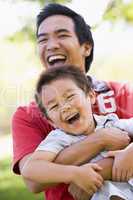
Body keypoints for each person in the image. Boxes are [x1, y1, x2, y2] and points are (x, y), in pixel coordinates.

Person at [12, 3, 133, 200]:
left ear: (86, 47)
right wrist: (100, 139)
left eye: (62, 35)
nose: (51, 45)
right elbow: (33, 180)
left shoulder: (123, 93)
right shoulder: (28, 115)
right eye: (43, 39)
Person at [22, 65, 133, 200]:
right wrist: (74, 173)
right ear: (50, 121)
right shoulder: (59, 139)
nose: (65, 107)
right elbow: (30, 169)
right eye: (54, 106)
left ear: (91, 96)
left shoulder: (110, 121)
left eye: (70, 97)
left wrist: (130, 150)